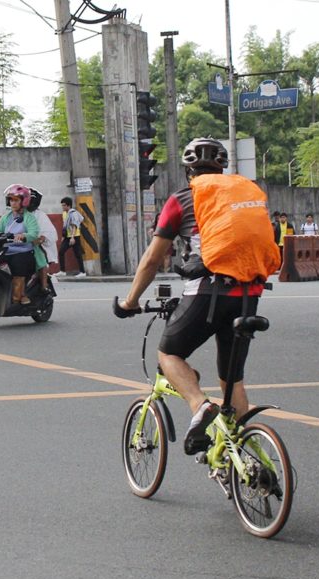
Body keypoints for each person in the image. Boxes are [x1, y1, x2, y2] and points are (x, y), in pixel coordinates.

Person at [113, 137, 269, 455]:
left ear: (189, 171)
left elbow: (153, 259)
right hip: (249, 293)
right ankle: (248, 463)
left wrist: (130, 302)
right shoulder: (243, 193)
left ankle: (199, 405)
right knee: (232, 381)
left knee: (169, 354)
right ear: (222, 167)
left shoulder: (183, 199)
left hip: (207, 292)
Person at [0, 184, 46, 303]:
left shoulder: (29, 218)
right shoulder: (5, 218)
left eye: (16, 200)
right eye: (11, 200)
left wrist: (24, 236)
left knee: (18, 265)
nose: (13, 203)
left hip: (23, 251)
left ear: (24, 201)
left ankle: (18, 296)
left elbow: (34, 233)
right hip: (6, 251)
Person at [26, 188, 57, 291]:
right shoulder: (18, 213)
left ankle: (44, 287)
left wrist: (38, 240)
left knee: (40, 261)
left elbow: (46, 234)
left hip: (37, 245)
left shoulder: (40, 216)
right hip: (19, 245)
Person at [59, 197, 86, 277]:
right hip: (67, 236)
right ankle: (63, 271)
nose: (62, 207)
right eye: (62, 205)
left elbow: (74, 225)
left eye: (64, 205)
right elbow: (65, 226)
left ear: (68, 206)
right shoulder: (64, 214)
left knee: (78, 254)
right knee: (61, 252)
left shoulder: (73, 213)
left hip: (75, 236)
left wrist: (73, 237)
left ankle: (82, 272)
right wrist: (63, 236)